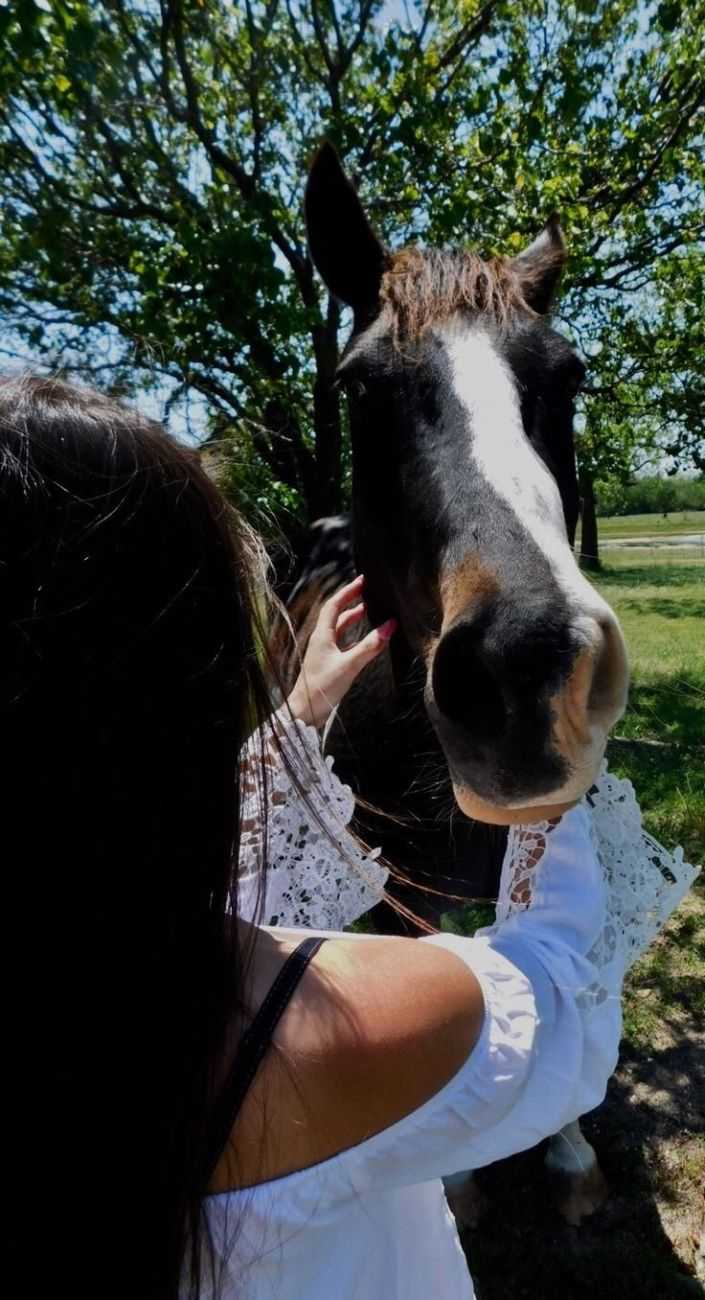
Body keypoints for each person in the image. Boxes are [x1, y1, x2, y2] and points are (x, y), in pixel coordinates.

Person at [2, 375, 696, 1300]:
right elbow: (558, 985)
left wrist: (298, 714)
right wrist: (552, 762)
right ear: (195, 688)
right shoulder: (325, 1031)